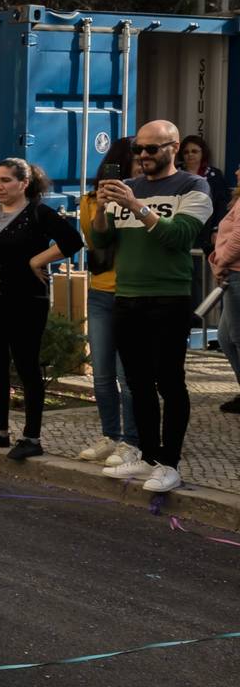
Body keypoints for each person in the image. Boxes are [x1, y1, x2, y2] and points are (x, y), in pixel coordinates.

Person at [93, 120, 214, 492]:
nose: (143, 156)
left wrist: (135, 206)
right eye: (138, 150)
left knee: (170, 382)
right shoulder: (128, 187)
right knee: (138, 382)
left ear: (173, 148)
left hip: (169, 297)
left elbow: (177, 238)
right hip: (127, 296)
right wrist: (101, 209)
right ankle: (147, 458)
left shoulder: (194, 186)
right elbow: (100, 240)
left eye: (152, 149)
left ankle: (170, 462)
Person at [0, 159, 82, 461]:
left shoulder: (38, 213)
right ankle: (0, 431)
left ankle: (32, 436)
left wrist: (37, 260)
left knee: (26, 365)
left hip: (26, 300)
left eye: (6, 181)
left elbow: (73, 240)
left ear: (23, 184)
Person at [76, 137, 141, 468]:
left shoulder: (145, 198)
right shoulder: (90, 199)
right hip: (101, 291)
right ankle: (110, 435)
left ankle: (132, 441)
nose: (143, 162)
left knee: (127, 374)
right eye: (138, 157)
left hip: (132, 292)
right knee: (101, 373)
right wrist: (102, 205)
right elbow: (92, 238)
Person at [211, 179, 240, 412]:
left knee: (237, 337)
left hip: (236, 273)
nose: (238, 171)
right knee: (225, 337)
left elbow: (238, 239)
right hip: (233, 273)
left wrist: (220, 263)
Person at [180, 134, 230, 252]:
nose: (190, 154)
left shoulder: (214, 175)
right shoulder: (176, 173)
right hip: (181, 229)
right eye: (186, 152)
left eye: (194, 151)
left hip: (206, 232)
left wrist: (216, 229)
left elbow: (221, 204)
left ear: (203, 153)